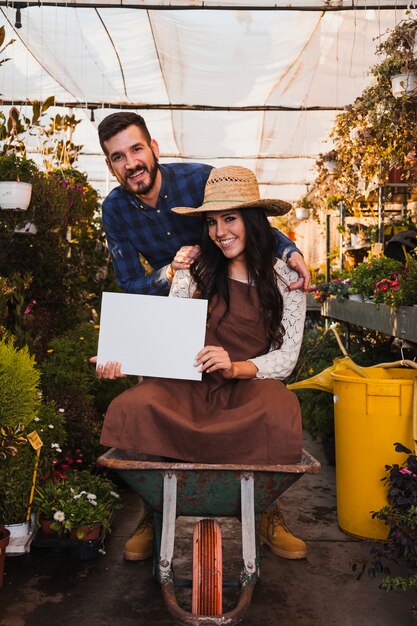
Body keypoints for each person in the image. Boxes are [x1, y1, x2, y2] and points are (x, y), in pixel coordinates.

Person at [96, 166, 307, 561]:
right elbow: (168, 336)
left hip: (248, 387)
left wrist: (236, 366)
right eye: (211, 222)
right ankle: (154, 505)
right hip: (191, 385)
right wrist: (125, 357)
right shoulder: (196, 269)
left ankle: (264, 508)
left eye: (230, 219)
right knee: (134, 404)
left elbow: (286, 358)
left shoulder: (285, 279)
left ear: (254, 221)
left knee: (280, 407)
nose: (219, 231)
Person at [98, 112, 311, 295]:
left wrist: (289, 252)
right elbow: (131, 285)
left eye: (137, 149)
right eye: (118, 157)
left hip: (232, 292)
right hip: (178, 306)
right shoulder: (114, 210)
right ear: (109, 165)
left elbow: (252, 225)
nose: (131, 164)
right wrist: (169, 273)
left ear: (154, 148)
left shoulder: (200, 178)